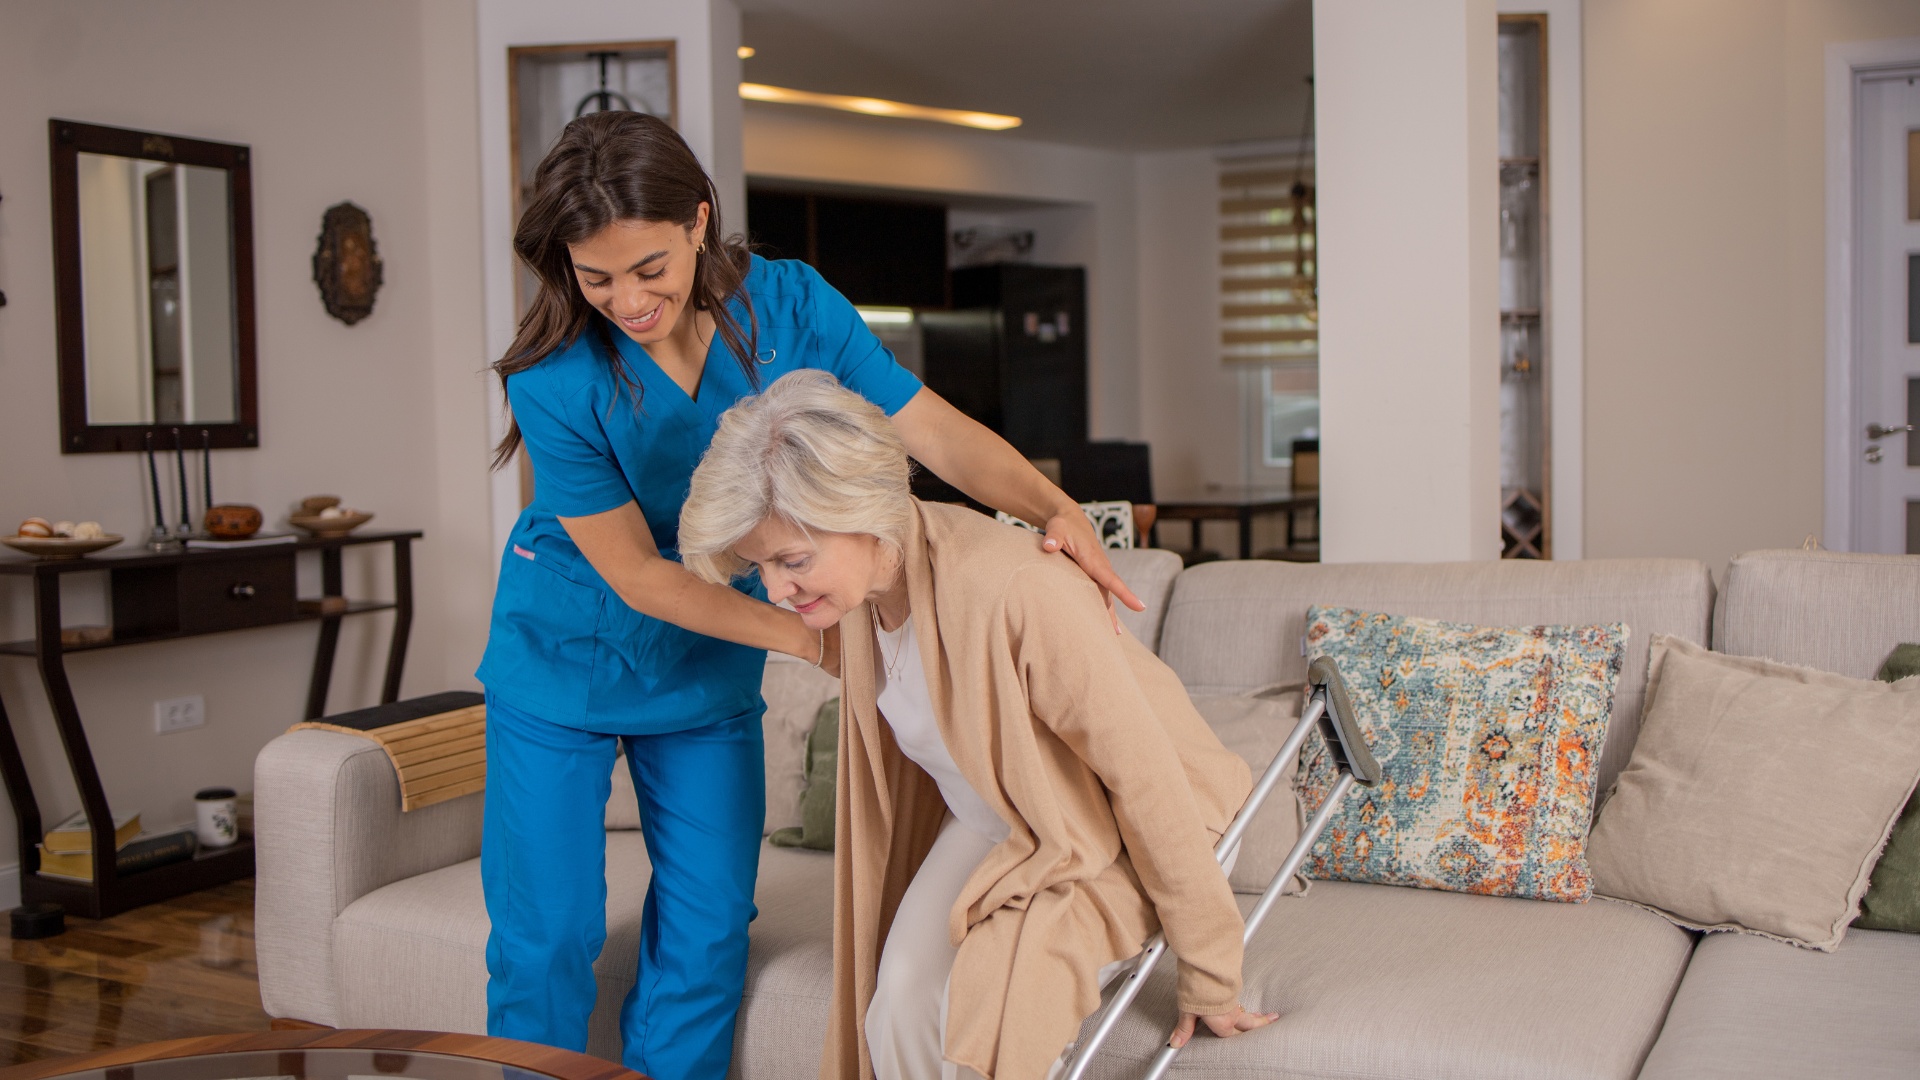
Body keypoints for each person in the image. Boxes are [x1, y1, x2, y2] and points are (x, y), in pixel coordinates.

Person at [475, 111, 1140, 1080]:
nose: (627, 299)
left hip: (705, 656)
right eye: (597, 277)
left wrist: (1054, 504)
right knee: (548, 936)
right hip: (563, 651)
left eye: (649, 268)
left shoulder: (786, 309)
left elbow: (931, 431)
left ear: (699, 222)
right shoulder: (554, 377)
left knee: (707, 928)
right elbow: (638, 573)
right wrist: (813, 642)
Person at [678, 370, 1279, 1080]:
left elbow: (1145, 778)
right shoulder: (861, 603)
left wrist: (1211, 969)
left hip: (1116, 821)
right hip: (1001, 811)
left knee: (993, 1009)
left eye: (792, 561)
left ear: (865, 513)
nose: (777, 590)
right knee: (896, 1000)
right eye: (761, 567)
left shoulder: (1017, 592)